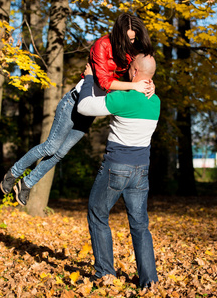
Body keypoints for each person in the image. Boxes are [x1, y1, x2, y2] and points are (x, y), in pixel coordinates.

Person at [0, 13, 155, 205]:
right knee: (51, 146)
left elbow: (140, 69)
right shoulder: (102, 45)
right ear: (118, 33)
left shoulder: (130, 51)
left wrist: (148, 83)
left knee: (61, 153)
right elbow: (105, 82)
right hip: (74, 102)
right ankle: (13, 172)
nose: (131, 42)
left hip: (91, 107)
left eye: (134, 38)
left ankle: (26, 183)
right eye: (128, 38)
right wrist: (133, 86)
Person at [77, 54, 160, 288]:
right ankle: (149, 281)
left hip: (117, 167)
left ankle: (105, 273)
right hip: (141, 170)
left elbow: (84, 107)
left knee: (97, 212)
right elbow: (145, 85)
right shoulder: (156, 102)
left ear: (133, 72)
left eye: (129, 69)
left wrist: (89, 78)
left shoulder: (122, 99)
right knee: (140, 225)